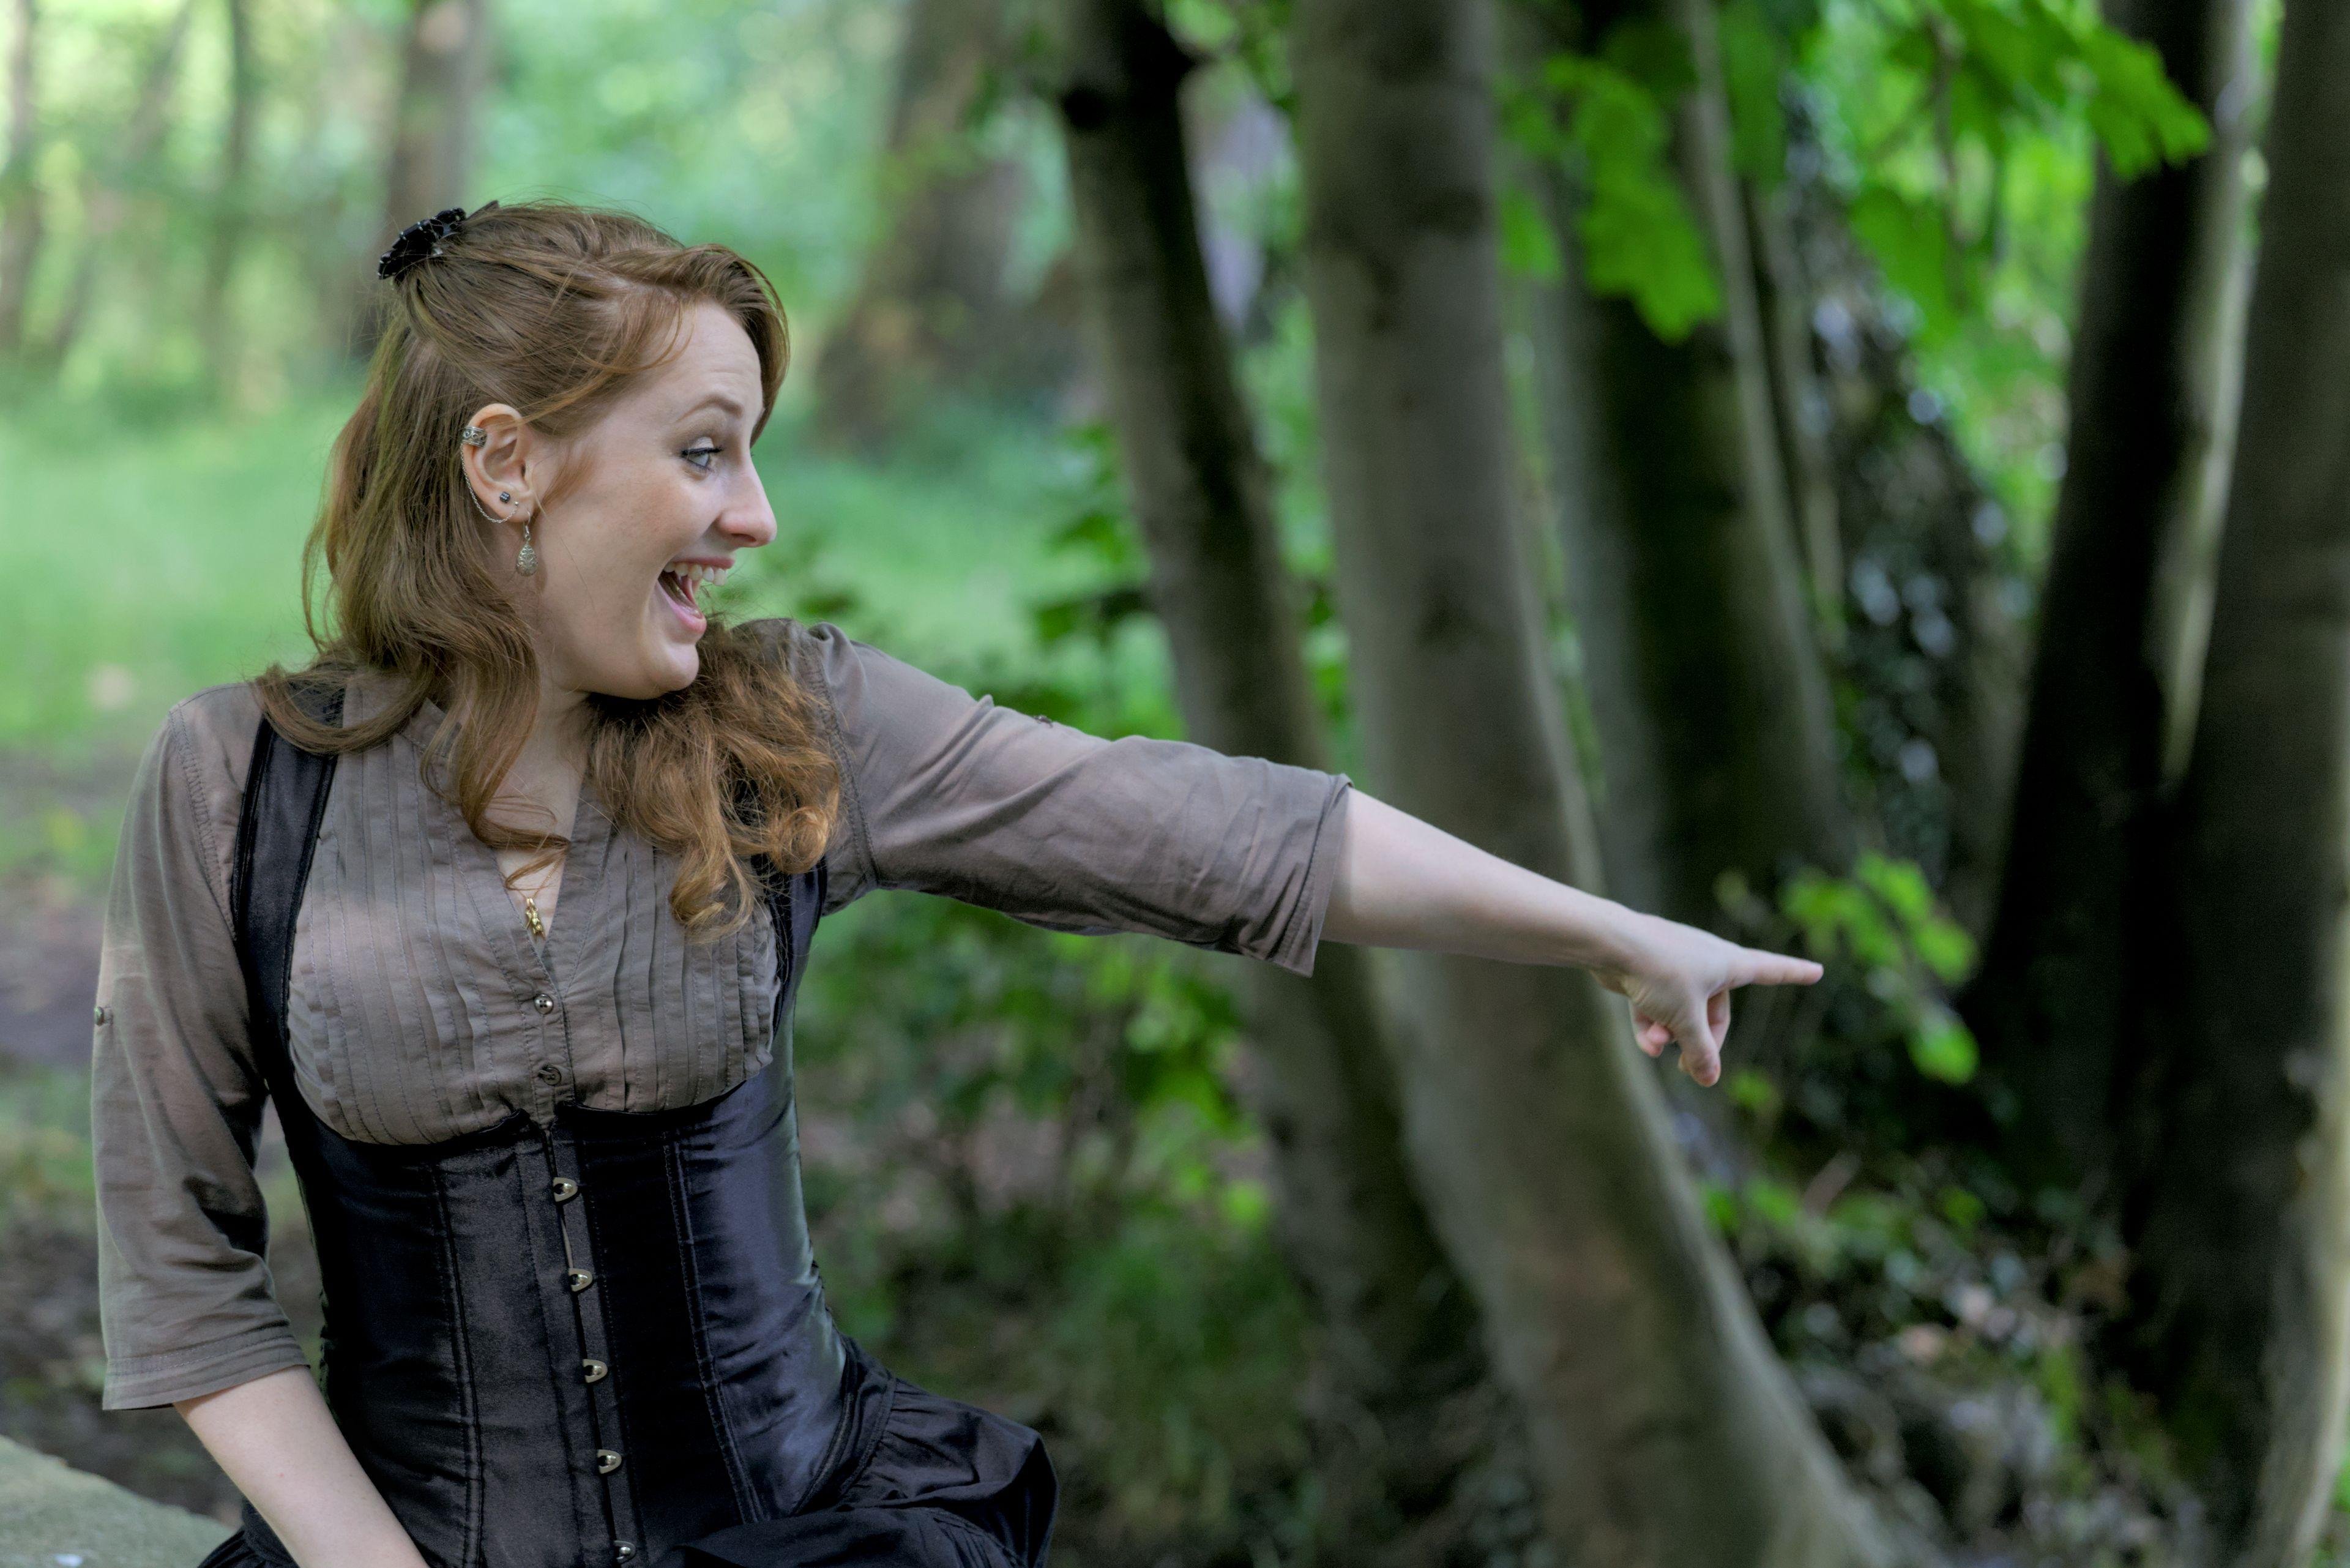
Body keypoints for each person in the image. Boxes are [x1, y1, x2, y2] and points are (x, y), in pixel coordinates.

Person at [88, 198, 1823, 1568]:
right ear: (504, 463)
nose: (757, 515)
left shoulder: (792, 724)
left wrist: (1607, 931)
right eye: (704, 451)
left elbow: (1201, 828)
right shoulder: (235, 785)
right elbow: (179, 1271)